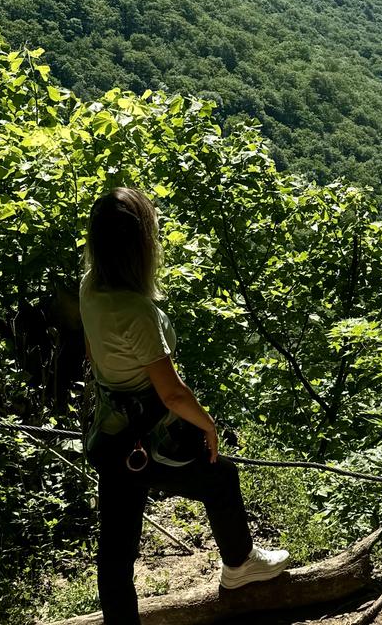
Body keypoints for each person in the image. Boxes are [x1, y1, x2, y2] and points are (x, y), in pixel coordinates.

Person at [80, 186, 290, 623]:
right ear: (138, 246)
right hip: (147, 438)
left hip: (111, 435)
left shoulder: (89, 289)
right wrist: (209, 426)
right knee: (220, 476)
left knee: (115, 553)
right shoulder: (136, 312)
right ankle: (239, 566)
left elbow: (92, 349)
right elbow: (171, 393)